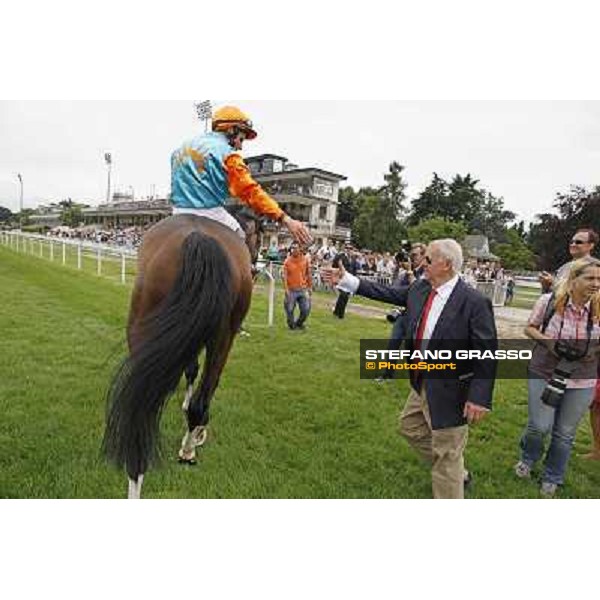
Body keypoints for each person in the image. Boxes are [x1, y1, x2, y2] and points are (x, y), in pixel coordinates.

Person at [323, 239, 497, 499]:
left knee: (447, 452)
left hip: (452, 389)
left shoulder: (473, 302)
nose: (420, 263)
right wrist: (347, 279)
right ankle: (454, 470)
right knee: (410, 427)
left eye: (428, 259)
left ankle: (450, 473)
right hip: (421, 380)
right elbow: (387, 293)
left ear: (446, 264)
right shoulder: (421, 288)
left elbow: (487, 352)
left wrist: (479, 397)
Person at [170, 105, 311, 251]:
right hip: (211, 213)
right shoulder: (228, 154)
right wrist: (284, 218)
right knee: (241, 239)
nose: (240, 147)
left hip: (177, 213)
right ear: (231, 130)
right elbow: (249, 191)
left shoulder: (179, 150)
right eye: (241, 140)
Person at [516, 257, 600, 496]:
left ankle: (553, 475)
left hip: (582, 377)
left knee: (564, 433)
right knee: (539, 426)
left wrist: (590, 350)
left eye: (599, 279)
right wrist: (549, 343)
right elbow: (529, 327)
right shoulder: (549, 302)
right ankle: (528, 457)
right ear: (573, 280)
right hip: (544, 370)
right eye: (590, 278)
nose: (596, 283)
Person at [539, 228, 598, 293]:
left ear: (591, 245)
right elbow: (553, 296)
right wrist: (546, 285)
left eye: (578, 242)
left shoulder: (596, 268)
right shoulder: (563, 268)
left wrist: (553, 283)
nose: (573, 245)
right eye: (571, 242)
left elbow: (587, 294)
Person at [283, 242, 312, 330]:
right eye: (292, 248)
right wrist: (286, 289)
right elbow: (285, 276)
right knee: (289, 309)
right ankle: (291, 325)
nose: (293, 250)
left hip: (303, 289)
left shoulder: (305, 260)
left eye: (295, 248)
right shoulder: (287, 261)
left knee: (306, 309)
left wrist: (310, 287)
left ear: (300, 249)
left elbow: (308, 274)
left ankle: (299, 323)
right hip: (291, 290)